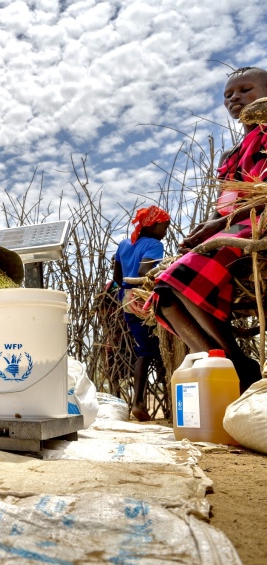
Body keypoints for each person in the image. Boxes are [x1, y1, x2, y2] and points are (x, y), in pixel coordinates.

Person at [150, 67, 267, 394]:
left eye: (246, 89)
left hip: (257, 225)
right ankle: (231, 364)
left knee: (182, 277)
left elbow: (261, 194)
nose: (236, 98)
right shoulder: (232, 156)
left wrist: (220, 223)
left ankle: (238, 370)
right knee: (165, 295)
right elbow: (224, 206)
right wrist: (206, 226)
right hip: (232, 227)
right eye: (228, 95)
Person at [113, 206, 170, 421]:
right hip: (143, 300)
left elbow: (118, 277)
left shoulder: (124, 244)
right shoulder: (155, 244)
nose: (165, 232)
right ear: (154, 226)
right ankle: (139, 402)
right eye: (164, 227)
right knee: (154, 350)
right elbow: (145, 272)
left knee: (145, 349)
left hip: (126, 299)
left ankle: (138, 402)